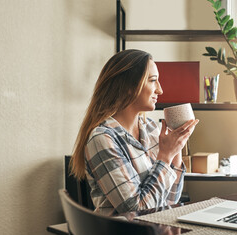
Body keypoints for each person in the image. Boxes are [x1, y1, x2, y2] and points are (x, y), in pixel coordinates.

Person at [70, 49, 199, 216]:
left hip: (156, 229)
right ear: (129, 86)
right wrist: (165, 156)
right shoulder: (102, 138)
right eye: (153, 81)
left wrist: (177, 147)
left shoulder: (152, 129)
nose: (160, 90)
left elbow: (170, 200)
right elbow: (136, 211)